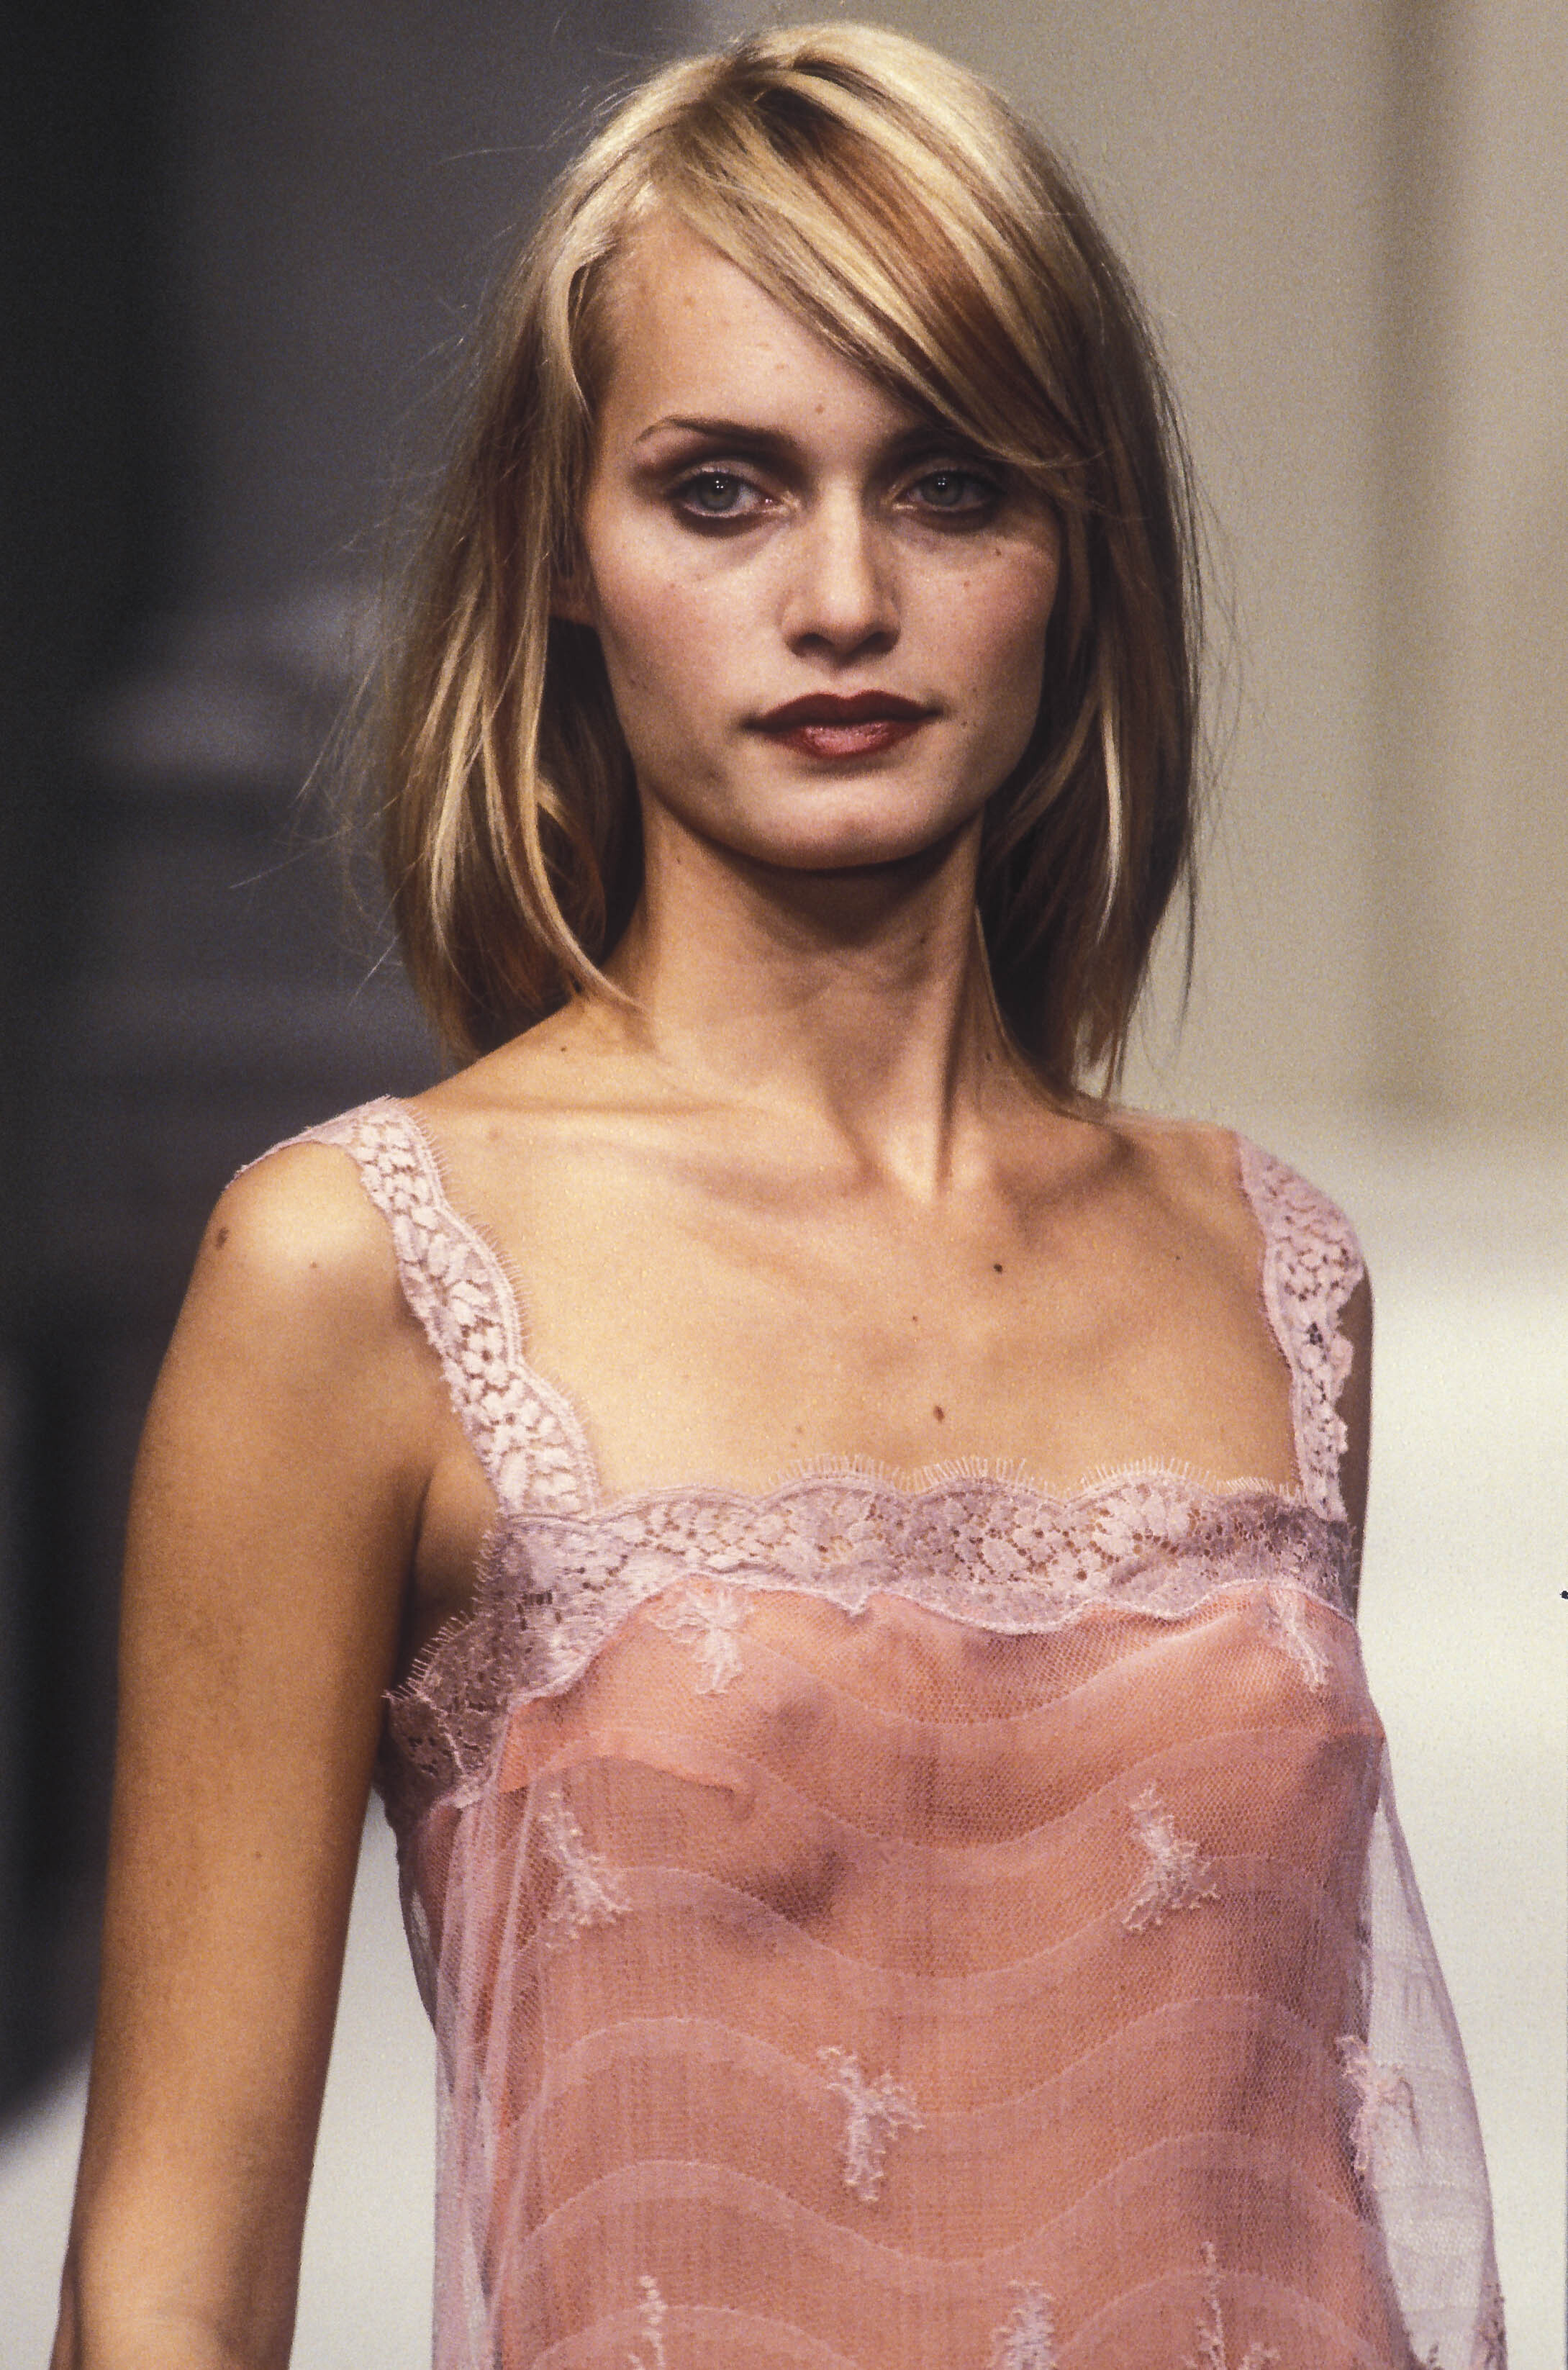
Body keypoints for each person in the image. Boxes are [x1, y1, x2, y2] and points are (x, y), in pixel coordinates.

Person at [53, 23, 1504, 2370]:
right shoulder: (356, 1274)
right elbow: (165, 2297)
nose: (840, 596)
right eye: (720, 490)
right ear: (561, 551)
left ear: (1077, 550)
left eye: (948, 487)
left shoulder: (1266, 1273)